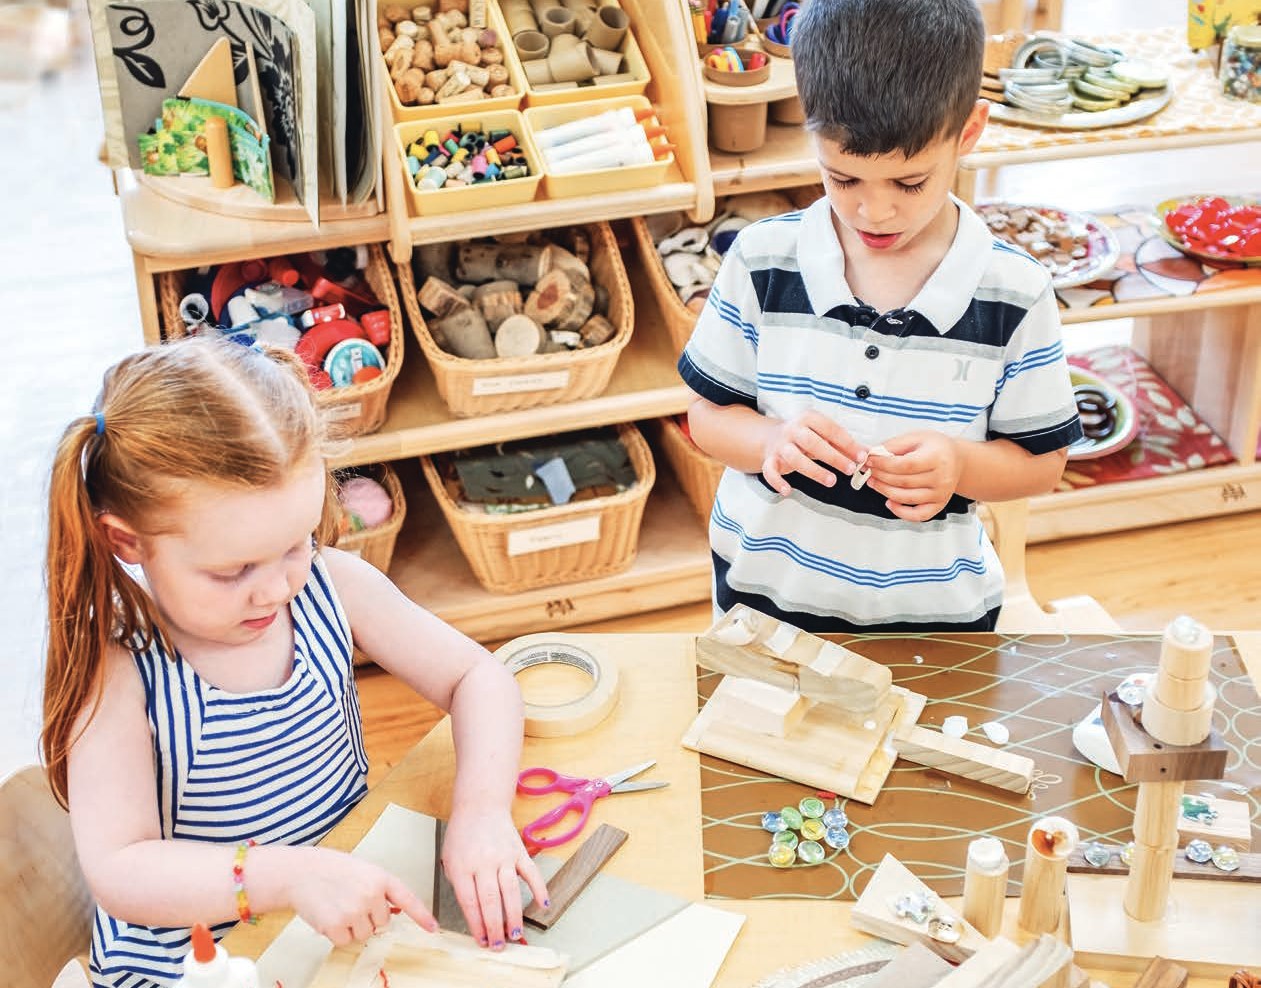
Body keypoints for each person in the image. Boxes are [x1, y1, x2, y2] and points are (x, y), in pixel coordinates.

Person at [41, 338, 547, 988]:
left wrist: (480, 812)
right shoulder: (121, 669)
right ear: (126, 541)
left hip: (337, 919)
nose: (278, 589)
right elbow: (122, 871)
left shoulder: (332, 585)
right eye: (233, 571)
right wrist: (287, 875)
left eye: (296, 543)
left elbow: (479, 678)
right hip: (202, 962)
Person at [678, 0, 1083, 633]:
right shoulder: (761, 260)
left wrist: (960, 465)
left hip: (935, 622)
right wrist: (769, 442)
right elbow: (705, 417)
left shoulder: (1015, 293)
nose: (874, 212)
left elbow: (1042, 462)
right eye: (843, 179)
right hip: (763, 607)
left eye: (909, 183)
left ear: (969, 132)